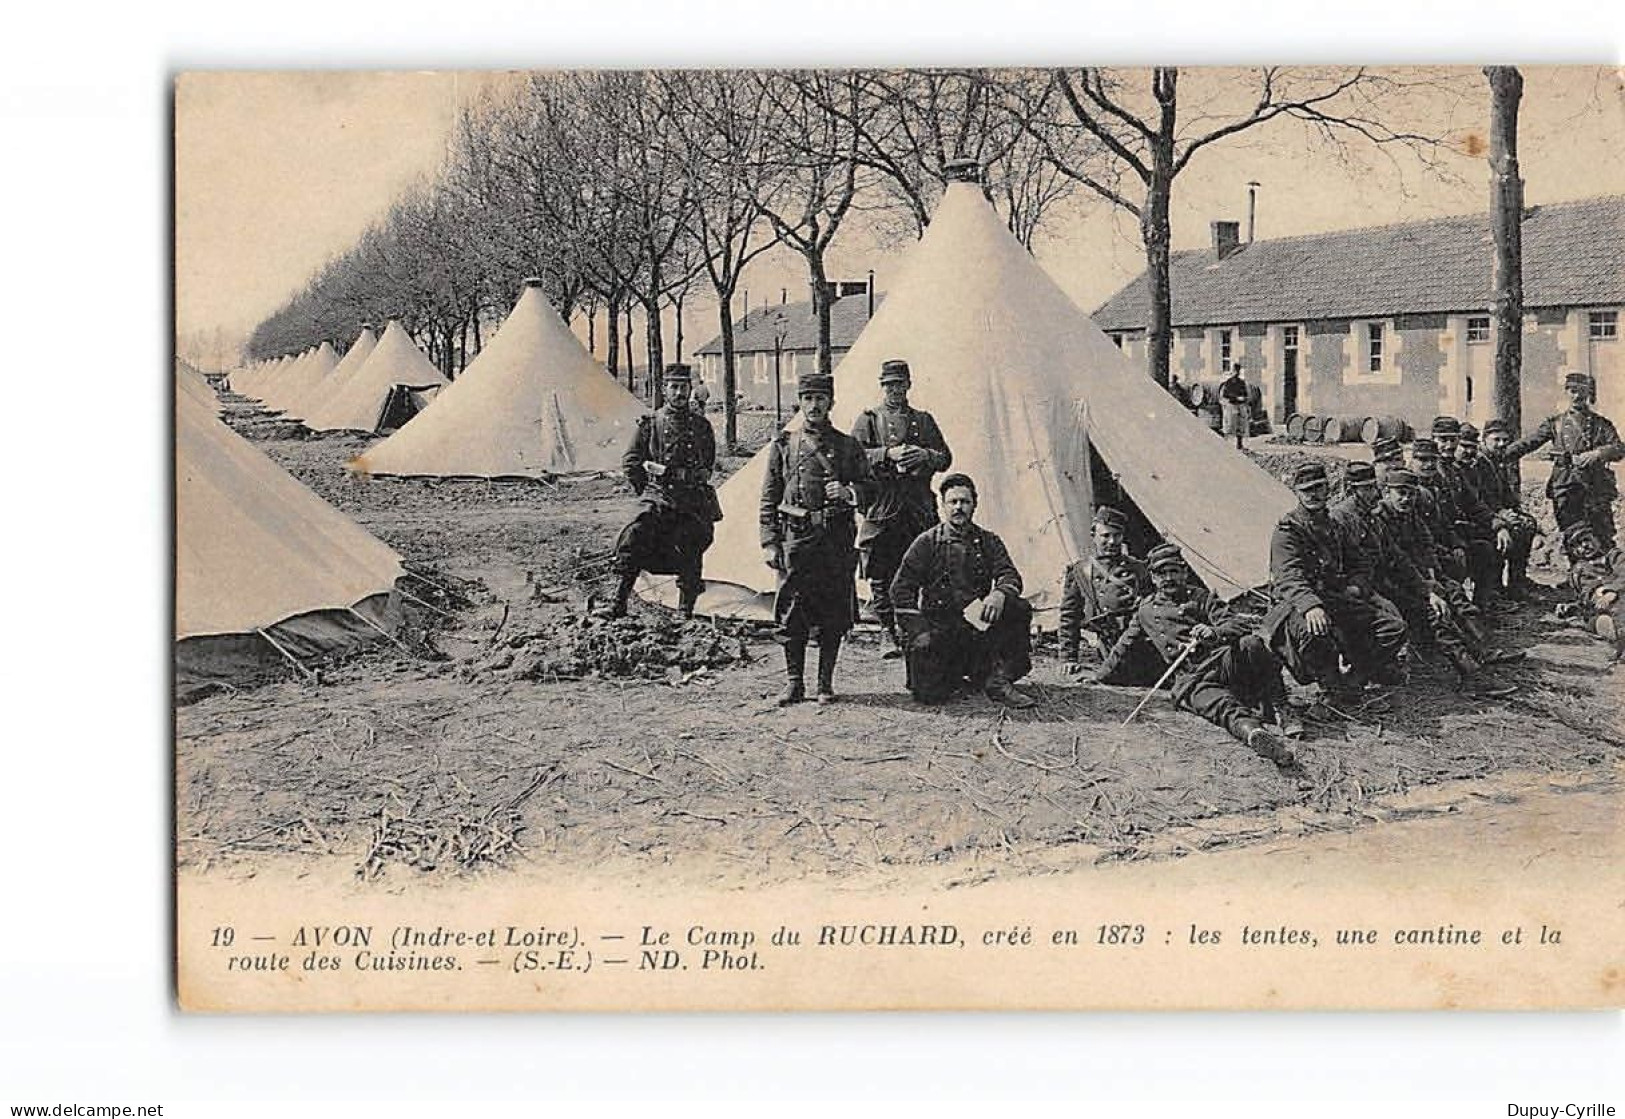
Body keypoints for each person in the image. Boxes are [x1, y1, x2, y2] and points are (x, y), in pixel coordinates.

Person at [1086, 544, 1296, 766]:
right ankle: (1256, 736)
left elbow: (1236, 622)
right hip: (1191, 679)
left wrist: (1213, 632)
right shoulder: (1145, 610)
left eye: (1174, 571)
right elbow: (1124, 645)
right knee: (1220, 706)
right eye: (1161, 573)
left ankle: (1283, 706)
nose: (1168, 578)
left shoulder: (1201, 598)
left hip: (1220, 663)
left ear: (1184, 572)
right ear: (1153, 578)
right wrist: (1099, 676)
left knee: (1250, 643)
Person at [760, 373, 875, 705]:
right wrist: (769, 540)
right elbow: (769, 497)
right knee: (791, 611)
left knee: (833, 612)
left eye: (820, 398)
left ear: (831, 403)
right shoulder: (784, 445)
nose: (814, 405)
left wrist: (850, 491)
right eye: (808, 398)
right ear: (800, 402)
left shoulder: (848, 446)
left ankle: (825, 684)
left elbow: (871, 490)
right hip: (795, 538)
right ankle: (794, 683)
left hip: (835, 540)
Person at [890, 473, 1034, 707]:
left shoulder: (989, 541)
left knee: (1017, 607)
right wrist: (920, 632)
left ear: (974, 505)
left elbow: (1010, 575)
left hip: (978, 627)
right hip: (940, 631)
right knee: (930, 696)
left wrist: (998, 594)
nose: (959, 507)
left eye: (964, 502)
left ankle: (998, 680)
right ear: (943, 505)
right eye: (953, 502)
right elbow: (901, 589)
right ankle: (958, 675)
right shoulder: (927, 542)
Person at [1263, 461, 1407, 691]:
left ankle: (1356, 677)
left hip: (1333, 597)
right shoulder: (1288, 531)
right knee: (1315, 632)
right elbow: (1289, 576)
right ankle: (1329, 685)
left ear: (1327, 488)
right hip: (1294, 605)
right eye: (1306, 490)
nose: (1313, 495)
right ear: (1297, 493)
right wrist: (1310, 606)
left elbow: (1360, 563)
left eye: (1318, 488)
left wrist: (1357, 587)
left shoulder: (1334, 526)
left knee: (1393, 628)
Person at [849, 359, 952, 658]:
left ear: (909, 385)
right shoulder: (869, 419)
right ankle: (886, 631)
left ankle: (914, 628)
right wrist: (887, 453)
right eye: (889, 384)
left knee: (921, 567)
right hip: (883, 505)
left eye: (899, 383)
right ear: (882, 387)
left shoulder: (924, 420)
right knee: (879, 570)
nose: (894, 389)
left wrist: (923, 455)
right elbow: (854, 458)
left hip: (917, 506)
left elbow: (945, 458)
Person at [608, 363, 719, 619]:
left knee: (692, 544)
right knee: (634, 536)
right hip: (658, 496)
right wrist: (646, 490)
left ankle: (685, 611)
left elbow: (708, 464)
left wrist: (694, 478)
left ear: (691, 389)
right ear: (664, 389)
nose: (680, 393)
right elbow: (631, 461)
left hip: (691, 500)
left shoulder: (702, 426)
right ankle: (618, 602)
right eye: (674, 387)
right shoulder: (651, 424)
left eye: (684, 387)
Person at [1503, 371, 1625, 556]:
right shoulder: (1555, 424)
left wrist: (1598, 453)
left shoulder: (1602, 424)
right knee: (1573, 535)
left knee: (1603, 535)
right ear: (1566, 393)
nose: (1577, 396)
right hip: (1566, 486)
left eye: (1582, 391)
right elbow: (1530, 442)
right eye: (1573, 390)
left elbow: (1619, 449)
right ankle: (1579, 578)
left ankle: (1605, 580)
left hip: (1596, 487)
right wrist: (1500, 454)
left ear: (1589, 394)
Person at [1058, 506, 1158, 683]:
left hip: (1139, 643)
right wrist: (1069, 657)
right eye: (1105, 535)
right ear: (1094, 535)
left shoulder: (1139, 569)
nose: (1112, 541)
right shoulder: (1080, 571)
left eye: (1117, 535)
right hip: (1109, 647)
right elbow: (1069, 616)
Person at [1466, 421, 1539, 599]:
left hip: (1495, 512)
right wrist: (1502, 514)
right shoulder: (1479, 462)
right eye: (1496, 440)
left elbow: (1506, 494)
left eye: (1505, 440)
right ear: (1484, 440)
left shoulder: (1498, 460)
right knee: (1514, 529)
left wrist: (1514, 511)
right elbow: (1478, 498)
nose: (1501, 444)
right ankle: (1497, 587)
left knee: (1526, 523)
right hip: (1480, 516)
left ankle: (1517, 581)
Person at [1219, 362, 1252, 450]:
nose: (1237, 372)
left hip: (1240, 405)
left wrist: (1244, 398)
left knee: (1241, 424)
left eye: (1238, 370)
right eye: (1235, 370)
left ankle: (1239, 443)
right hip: (1232, 405)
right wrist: (1236, 397)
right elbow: (1226, 394)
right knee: (1230, 425)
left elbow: (1245, 393)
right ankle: (1226, 444)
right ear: (1233, 371)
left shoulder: (1241, 382)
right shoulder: (1229, 382)